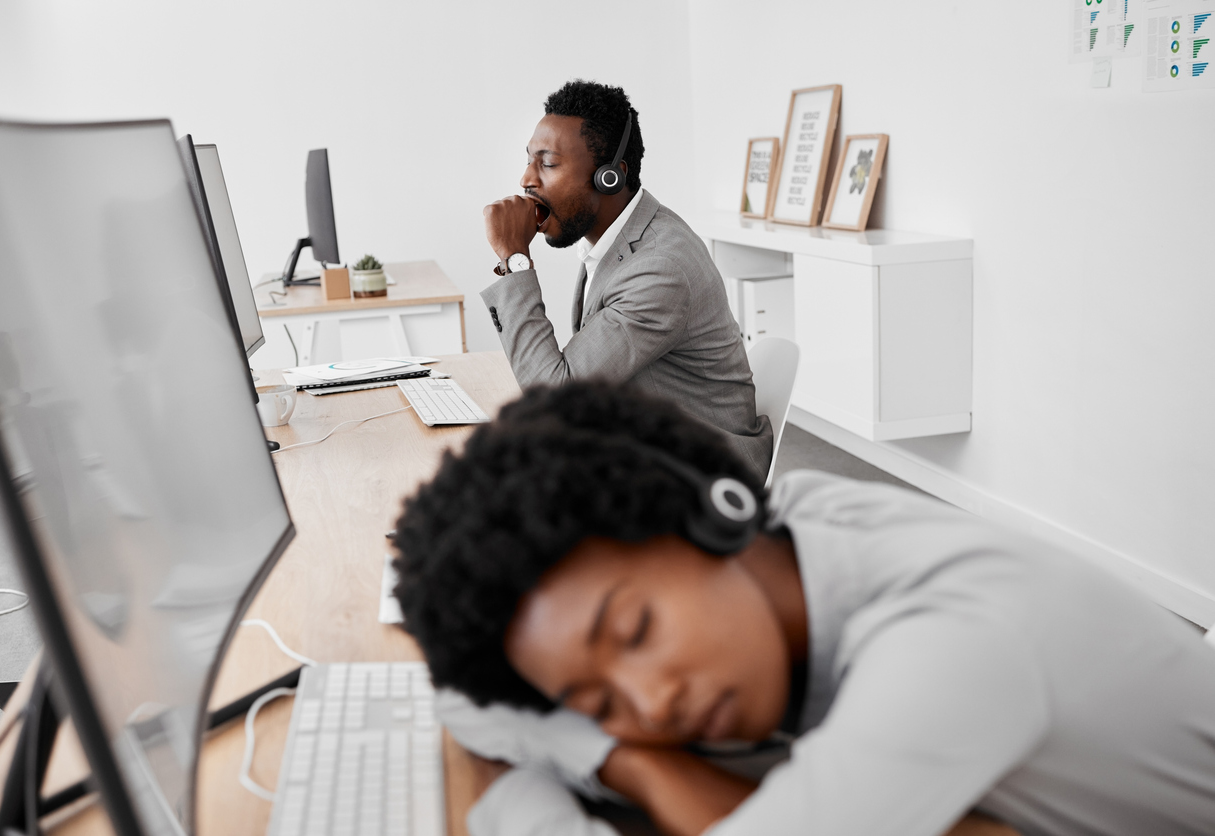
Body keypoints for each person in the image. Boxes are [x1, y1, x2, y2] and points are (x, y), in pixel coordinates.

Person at [393, 381, 1215, 836]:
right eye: (597, 701)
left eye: (635, 631)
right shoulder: (798, 526)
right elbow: (461, 691)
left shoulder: (946, 644)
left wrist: (615, 766)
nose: (652, 703)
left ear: (713, 513)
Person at [480, 80, 772, 481]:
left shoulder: (659, 267)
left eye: (547, 163)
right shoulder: (618, 242)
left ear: (610, 178)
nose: (526, 179)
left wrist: (515, 259)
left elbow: (556, 400)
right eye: (530, 160)